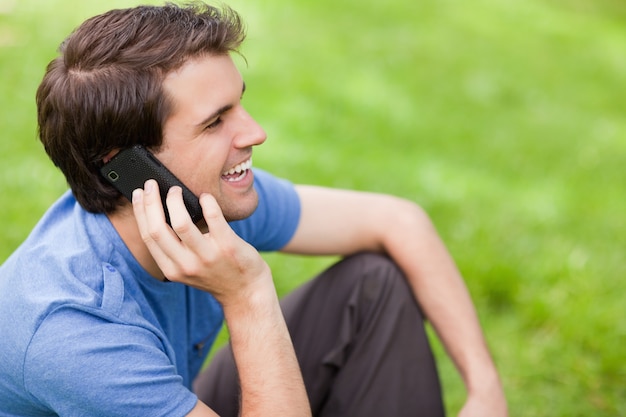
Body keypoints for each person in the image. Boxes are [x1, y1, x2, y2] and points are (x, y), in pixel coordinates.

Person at [0, 2, 507, 416]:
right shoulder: (70, 330)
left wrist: (486, 389)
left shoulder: (199, 204)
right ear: (128, 167)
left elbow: (399, 221)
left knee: (370, 285)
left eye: (239, 103)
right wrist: (247, 296)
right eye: (215, 121)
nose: (255, 132)